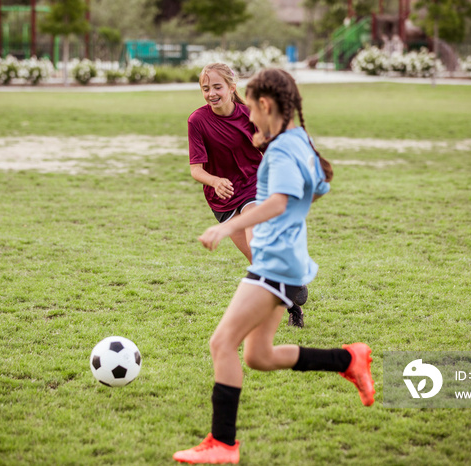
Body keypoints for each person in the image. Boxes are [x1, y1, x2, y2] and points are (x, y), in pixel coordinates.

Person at [173, 68, 375, 465]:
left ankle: (222, 445)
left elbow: (278, 203)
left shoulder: (281, 150)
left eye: (250, 106)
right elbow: (320, 186)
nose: (246, 116)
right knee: (258, 357)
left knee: (221, 344)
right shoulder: (299, 140)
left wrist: (226, 228)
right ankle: (348, 359)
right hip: (285, 259)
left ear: (264, 105)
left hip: (274, 263)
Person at [188, 63, 307, 327]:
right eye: (205, 88)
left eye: (217, 87)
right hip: (222, 198)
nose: (211, 93)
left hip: (254, 188)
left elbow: (274, 147)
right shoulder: (197, 121)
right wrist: (215, 180)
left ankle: (290, 289)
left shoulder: (248, 115)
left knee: (259, 248)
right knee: (257, 262)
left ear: (232, 88)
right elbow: (196, 169)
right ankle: (292, 302)